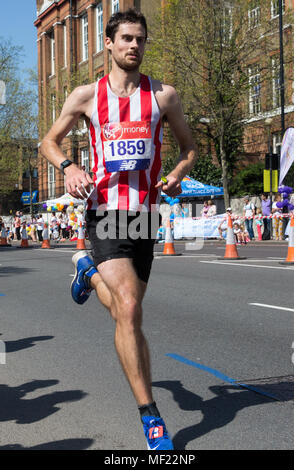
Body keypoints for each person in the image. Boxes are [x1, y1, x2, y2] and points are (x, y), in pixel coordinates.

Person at [40, 9, 197, 451]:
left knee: (126, 311)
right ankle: (151, 417)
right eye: (126, 38)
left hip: (145, 213)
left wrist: (180, 173)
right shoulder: (87, 96)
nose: (133, 46)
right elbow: (48, 141)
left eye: (140, 40)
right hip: (105, 209)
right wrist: (69, 167)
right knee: (128, 309)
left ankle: (87, 271)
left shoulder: (164, 96)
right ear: (108, 44)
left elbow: (189, 148)